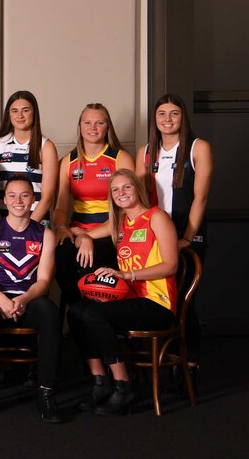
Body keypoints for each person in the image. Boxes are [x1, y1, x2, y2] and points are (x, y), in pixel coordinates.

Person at [69, 169, 178, 416]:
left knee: (95, 315)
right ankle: (100, 382)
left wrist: (127, 276)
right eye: (115, 190)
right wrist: (85, 238)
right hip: (131, 300)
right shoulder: (119, 222)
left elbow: (171, 265)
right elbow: (80, 234)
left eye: (127, 187)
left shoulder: (156, 217)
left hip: (157, 302)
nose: (121, 193)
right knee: (76, 312)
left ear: (137, 189)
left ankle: (123, 384)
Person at [0, 174, 63, 424]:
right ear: (5, 200)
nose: (18, 200)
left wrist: (24, 300)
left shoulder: (45, 235)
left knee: (50, 312)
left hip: (29, 298)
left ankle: (46, 392)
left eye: (25, 195)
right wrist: (2, 300)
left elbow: (44, 282)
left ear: (33, 201)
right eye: (13, 195)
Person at [136, 93, 212, 364]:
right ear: (155, 120)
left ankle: (188, 364)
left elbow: (200, 197)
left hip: (186, 233)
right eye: (162, 114)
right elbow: (140, 200)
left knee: (183, 301)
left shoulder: (197, 147)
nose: (167, 120)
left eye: (174, 114)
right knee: (157, 300)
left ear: (183, 117)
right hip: (154, 235)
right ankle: (161, 361)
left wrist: (187, 238)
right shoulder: (145, 152)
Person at [53, 104, 134, 317]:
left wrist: (88, 236)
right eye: (87, 122)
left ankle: (92, 319)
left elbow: (128, 209)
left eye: (99, 123)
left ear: (108, 127)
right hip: (77, 228)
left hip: (112, 229)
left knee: (91, 263)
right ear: (79, 127)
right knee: (60, 259)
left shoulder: (120, 158)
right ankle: (79, 311)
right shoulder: (68, 162)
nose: (93, 128)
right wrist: (62, 228)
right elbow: (61, 205)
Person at [0, 90, 58, 225]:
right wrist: (1, 226)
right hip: (4, 223)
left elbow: (47, 197)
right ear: (9, 114)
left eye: (25, 110)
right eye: (14, 111)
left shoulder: (46, 147)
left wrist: (27, 227)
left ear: (34, 113)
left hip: (36, 223)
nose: (20, 115)